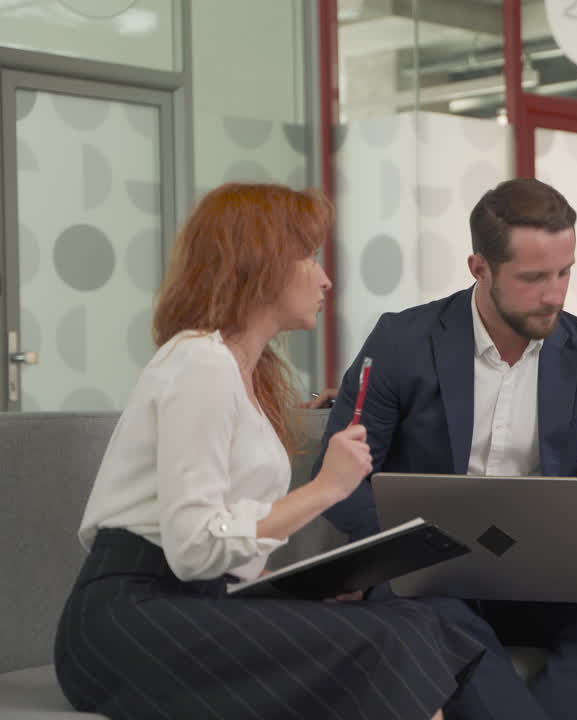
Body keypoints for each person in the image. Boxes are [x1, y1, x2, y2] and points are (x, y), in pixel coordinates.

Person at [54, 183, 483, 720]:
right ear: (258, 263)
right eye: (307, 256)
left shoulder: (244, 377)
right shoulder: (199, 365)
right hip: (128, 622)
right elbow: (192, 547)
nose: (325, 278)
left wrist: (300, 590)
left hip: (194, 603)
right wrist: (327, 489)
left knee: (416, 623)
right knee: (386, 644)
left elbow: (221, 549)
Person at [319, 178, 577, 720]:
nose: (555, 294)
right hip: (428, 581)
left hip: (542, 579)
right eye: (533, 278)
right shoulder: (402, 341)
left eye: (564, 272)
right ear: (480, 268)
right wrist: (410, 550)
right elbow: (337, 484)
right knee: (431, 616)